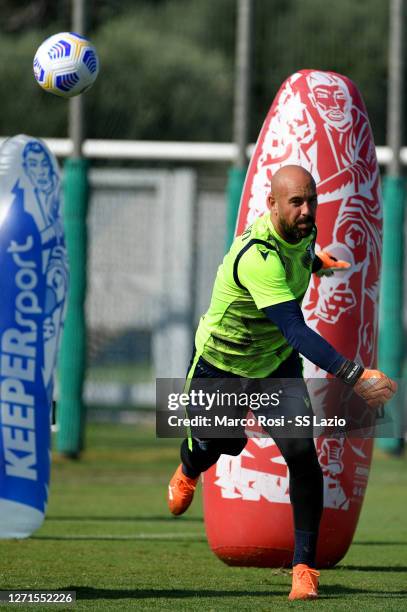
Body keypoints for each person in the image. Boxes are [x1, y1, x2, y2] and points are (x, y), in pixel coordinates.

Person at [166, 164, 397, 601]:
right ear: (271, 204)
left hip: (274, 366)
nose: (307, 210)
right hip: (222, 366)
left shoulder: (303, 231)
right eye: (296, 202)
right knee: (220, 445)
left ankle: (304, 568)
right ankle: (188, 469)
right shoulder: (258, 257)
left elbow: (303, 257)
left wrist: (318, 262)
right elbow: (296, 329)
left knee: (302, 456)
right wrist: (354, 374)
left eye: (311, 200)